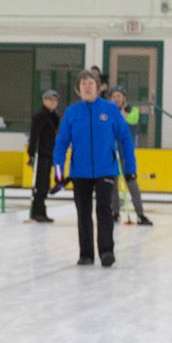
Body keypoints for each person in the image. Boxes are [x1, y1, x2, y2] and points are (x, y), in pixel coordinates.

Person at [52, 70, 137, 267]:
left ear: (98, 88)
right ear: (78, 89)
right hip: (79, 172)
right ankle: (86, 254)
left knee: (104, 211)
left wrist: (130, 168)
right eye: (83, 84)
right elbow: (61, 143)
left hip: (106, 170)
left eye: (91, 83)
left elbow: (125, 139)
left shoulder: (111, 110)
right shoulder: (72, 112)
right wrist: (58, 174)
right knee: (83, 213)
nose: (87, 86)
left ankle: (106, 251)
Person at [108, 88, 152, 226]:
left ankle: (140, 214)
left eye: (119, 96)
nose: (116, 98)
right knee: (113, 183)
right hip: (112, 151)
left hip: (127, 152)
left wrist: (121, 115)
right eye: (113, 96)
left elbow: (132, 121)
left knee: (131, 182)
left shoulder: (133, 111)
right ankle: (115, 213)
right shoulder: (108, 112)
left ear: (124, 98)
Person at [26, 89, 60, 223]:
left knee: (46, 184)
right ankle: (36, 211)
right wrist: (31, 154)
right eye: (50, 100)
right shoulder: (39, 116)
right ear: (44, 100)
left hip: (49, 154)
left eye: (55, 100)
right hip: (40, 155)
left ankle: (42, 211)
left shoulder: (55, 117)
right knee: (40, 185)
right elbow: (34, 136)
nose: (53, 103)